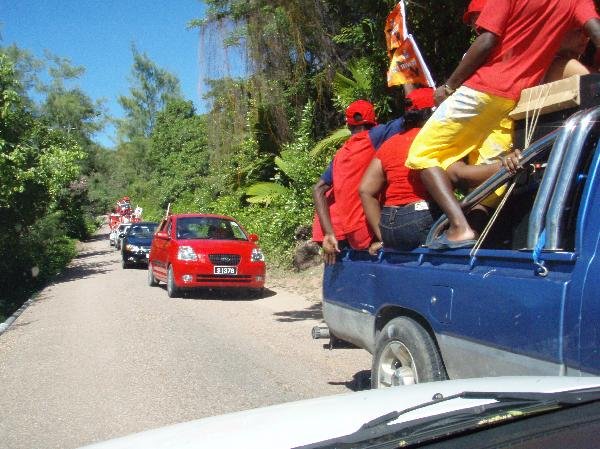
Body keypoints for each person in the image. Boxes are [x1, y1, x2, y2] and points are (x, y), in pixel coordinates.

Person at [406, 0, 600, 250]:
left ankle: (460, 228)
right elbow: (596, 30)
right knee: (493, 172)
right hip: (514, 100)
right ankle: (477, 230)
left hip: (485, 89)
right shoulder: (576, 1)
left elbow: (487, 40)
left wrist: (449, 86)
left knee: (422, 153)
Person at [313, 99, 405, 264]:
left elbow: (318, 189)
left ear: (348, 126)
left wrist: (328, 233)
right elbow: (412, 115)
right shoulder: (374, 136)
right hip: (361, 232)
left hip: (338, 232)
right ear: (374, 122)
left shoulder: (340, 154)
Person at [359, 88, 438, 255]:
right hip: (419, 218)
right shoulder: (435, 138)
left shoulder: (389, 144)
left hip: (388, 224)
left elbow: (365, 190)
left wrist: (382, 236)